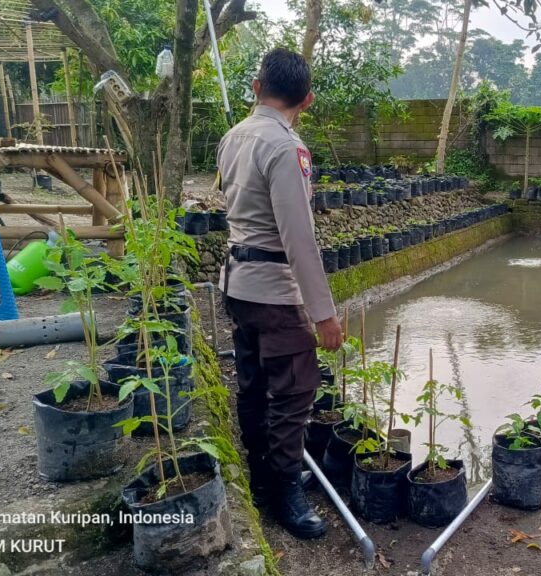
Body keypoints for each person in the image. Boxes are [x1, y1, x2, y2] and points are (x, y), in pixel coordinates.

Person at [217, 47, 343, 539]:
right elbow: (299, 239)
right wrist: (324, 314)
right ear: (306, 100)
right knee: (293, 392)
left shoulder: (233, 136)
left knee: (253, 386)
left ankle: (262, 475)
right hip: (272, 291)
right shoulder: (287, 147)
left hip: (238, 284)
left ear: (256, 87)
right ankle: (284, 492)